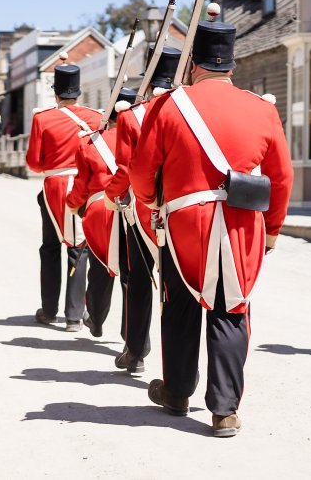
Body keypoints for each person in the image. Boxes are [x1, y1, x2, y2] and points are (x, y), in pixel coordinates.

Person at [129, 22, 293, 437]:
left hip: (186, 221)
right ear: (231, 64)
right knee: (231, 309)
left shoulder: (170, 105)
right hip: (242, 223)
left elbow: (142, 173)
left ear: (193, 64)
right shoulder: (262, 108)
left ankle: (178, 393)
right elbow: (281, 177)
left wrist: (153, 203)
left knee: (181, 304)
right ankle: (224, 410)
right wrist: (271, 228)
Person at [104, 44, 181, 374]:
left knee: (138, 281)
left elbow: (125, 169)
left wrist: (112, 196)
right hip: (182, 210)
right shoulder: (187, 110)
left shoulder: (132, 115)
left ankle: (136, 351)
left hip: (143, 209)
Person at [25, 62, 102, 331]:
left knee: (50, 248)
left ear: (55, 93)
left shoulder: (42, 118)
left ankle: (50, 310)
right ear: (78, 92)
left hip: (55, 186)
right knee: (78, 249)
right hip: (86, 185)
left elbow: (34, 163)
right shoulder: (95, 117)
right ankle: (73, 314)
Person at [66, 87, 137, 340]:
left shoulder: (90, 141)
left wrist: (72, 204)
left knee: (100, 267)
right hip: (134, 207)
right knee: (132, 273)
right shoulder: (143, 136)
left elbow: (81, 185)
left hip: (100, 210)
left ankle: (95, 319)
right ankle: (132, 339)